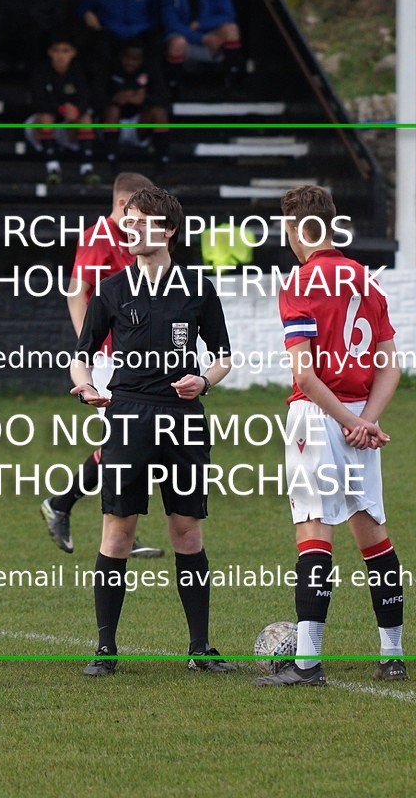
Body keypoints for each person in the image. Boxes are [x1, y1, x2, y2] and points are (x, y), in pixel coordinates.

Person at [70, 186, 235, 676]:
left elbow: (224, 356)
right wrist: (86, 389)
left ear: (168, 230)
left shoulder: (197, 287)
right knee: (117, 534)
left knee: (186, 531)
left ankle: (200, 649)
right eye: (128, 219)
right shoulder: (113, 290)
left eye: (141, 220)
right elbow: (80, 358)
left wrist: (203, 380)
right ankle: (105, 650)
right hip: (128, 417)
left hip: (182, 418)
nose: (131, 228)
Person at [253, 185, 406, 687]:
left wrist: (345, 421)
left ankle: (307, 663)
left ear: (296, 230)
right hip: (362, 419)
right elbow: (390, 366)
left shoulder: (300, 283)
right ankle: (393, 655)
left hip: (319, 418)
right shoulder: (369, 281)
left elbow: (306, 377)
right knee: (373, 533)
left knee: (315, 532)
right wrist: (367, 421)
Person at [42, 172, 165, 559]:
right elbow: (77, 290)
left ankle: (104, 521)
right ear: (122, 204)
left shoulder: (129, 240)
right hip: (110, 358)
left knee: (130, 442)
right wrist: (89, 348)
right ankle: (69, 507)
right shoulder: (100, 236)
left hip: (132, 355)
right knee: (127, 441)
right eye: (137, 211)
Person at [26, 32, 98, 185]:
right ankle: (53, 168)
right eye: (56, 50)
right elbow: (37, 102)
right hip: (39, 126)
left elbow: (87, 99)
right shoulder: (40, 70)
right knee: (46, 117)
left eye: (65, 50)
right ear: (50, 52)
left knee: (85, 118)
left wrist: (77, 110)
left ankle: (87, 167)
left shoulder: (79, 70)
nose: (60, 55)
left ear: (73, 53)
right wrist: (60, 109)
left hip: (66, 127)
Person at [100, 41, 171, 172]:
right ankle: (112, 162)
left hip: (139, 127)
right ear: (121, 57)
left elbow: (165, 99)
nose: (130, 63)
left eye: (135, 59)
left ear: (142, 60)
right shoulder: (110, 69)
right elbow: (94, 98)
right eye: (127, 58)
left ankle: (161, 164)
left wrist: (144, 99)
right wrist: (114, 99)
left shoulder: (150, 70)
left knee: (159, 113)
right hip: (114, 125)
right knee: (112, 111)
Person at [162, 0, 244, 93]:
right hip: (184, 40)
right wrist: (202, 38)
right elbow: (172, 25)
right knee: (178, 43)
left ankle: (233, 79)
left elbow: (229, 15)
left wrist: (201, 25)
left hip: (211, 41)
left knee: (231, 29)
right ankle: (174, 85)